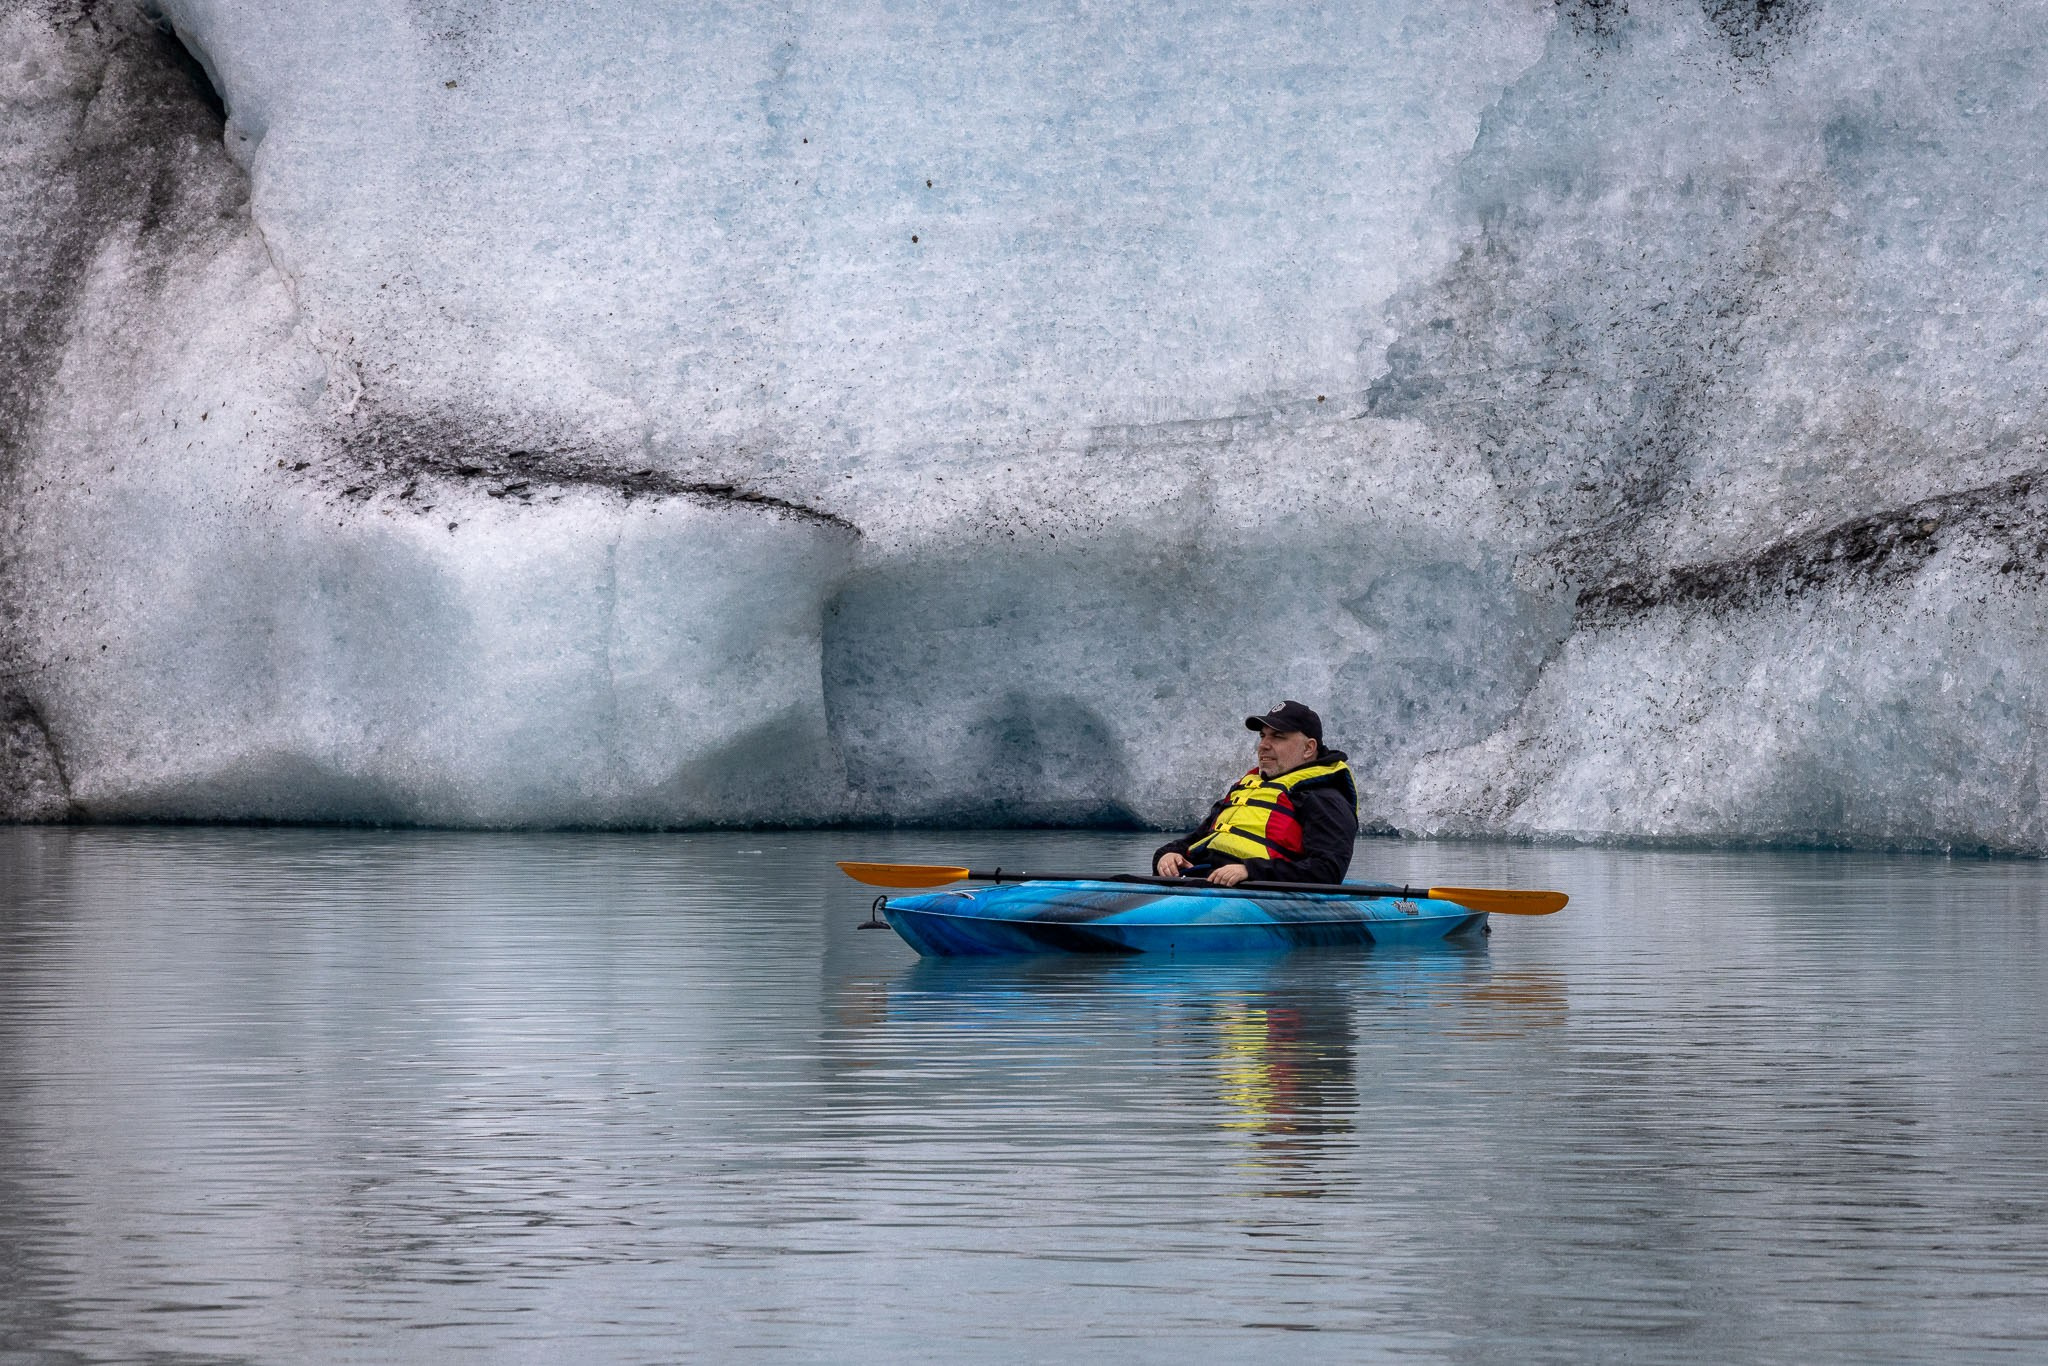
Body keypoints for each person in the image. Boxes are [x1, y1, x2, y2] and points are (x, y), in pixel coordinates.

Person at [1153, 700, 1358, 887]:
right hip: (1204, 881)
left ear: (1308, 748)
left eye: (1278, 737)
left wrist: (1251, 871)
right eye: (1262, 736)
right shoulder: (1249, 789)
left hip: (1252, 893)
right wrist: (1169, 855)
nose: (1263, 745)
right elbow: (1197, 838)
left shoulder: (1325, 798)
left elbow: (1327, 871)